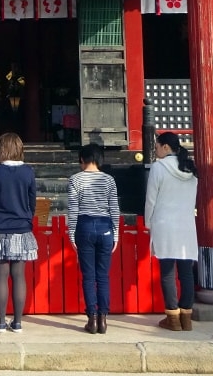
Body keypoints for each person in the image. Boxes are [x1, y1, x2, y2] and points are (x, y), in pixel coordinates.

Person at [0, 131, 37, 332]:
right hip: (21, 228)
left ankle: (2, 322)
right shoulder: (28, 171)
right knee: (19, 275)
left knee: (0, 275)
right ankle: (18, 322)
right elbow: (32, 201)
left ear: (1, 150)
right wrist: (27, 218)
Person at [145, 131, 199, 331]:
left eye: (157, 146)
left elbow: (151, 199)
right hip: (185, 224)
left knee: (167, 273)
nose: (156, 150)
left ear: (166, 147)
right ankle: (186, 317)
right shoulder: (191, 170)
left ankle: (172, 317)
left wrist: (149, 223)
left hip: (165, 224)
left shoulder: (159, 168)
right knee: (186, 273)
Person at [67, 143, 120, 335]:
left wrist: (71, 233)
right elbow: (114, 209)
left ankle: (92, 318)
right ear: (99, 159)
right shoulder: (109, 180)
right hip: (105, 227)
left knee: (88, 276)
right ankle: (104, 318)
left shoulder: (75, 180)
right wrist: (116, 234)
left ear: (82, 159)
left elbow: (73, 209)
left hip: (85, 226)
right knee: (103, 276)